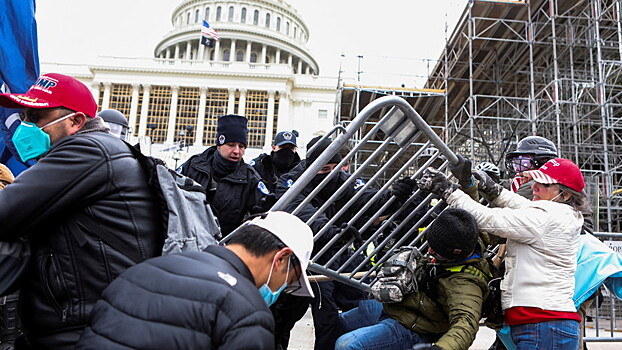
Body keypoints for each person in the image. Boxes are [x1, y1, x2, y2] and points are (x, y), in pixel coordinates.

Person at [0, 73, 164, 349]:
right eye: (25, 115)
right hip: (99, 324)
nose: (24, 126)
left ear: (75, 121)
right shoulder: (105, 151)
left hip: (85, 331)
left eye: (36, 118)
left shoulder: (87, 151)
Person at [75, 211, 314, 350]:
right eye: (289, 281)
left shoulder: (147, 269)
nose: (281, 289)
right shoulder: (247, 312)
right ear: (281, 259)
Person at [419, 157, 588, 349]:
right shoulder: (558, 214)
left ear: (565, 195)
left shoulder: (547, 218)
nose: (535, 187)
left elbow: (488, 218)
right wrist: (492, 188)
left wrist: (448, 191)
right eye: (536, 181)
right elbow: (521, 204)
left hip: (543, 323)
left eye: (544, 184)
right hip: (543, 322)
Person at [273, 136, 417, 350]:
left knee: (360, 301)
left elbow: (365, 197)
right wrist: (334, 232)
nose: (330, 174)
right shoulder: (293, 181)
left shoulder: (343, 180)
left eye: (335, 168)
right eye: (324, 169)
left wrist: (392, 195)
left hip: (335, 254)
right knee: (286, 319)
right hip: (303, 259)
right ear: (311, 165)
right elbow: (304, 213)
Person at [335, 208, 491, 350]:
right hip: (396, 306)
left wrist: (441, 348)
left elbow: (466, 323)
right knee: (334, 323)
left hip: (414, 327)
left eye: (436, 251)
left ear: (456, 252)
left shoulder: (466, 285)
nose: (429, 251)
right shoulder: (462, 235)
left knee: (347, 345)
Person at [178, 114, 267, 235]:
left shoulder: (250, 177)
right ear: (219, 144)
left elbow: (262, 212)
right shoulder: (193, 166)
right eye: (231, 145)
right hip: (189, 238)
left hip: (224, 244)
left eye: (241, 146)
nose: (237, 151)